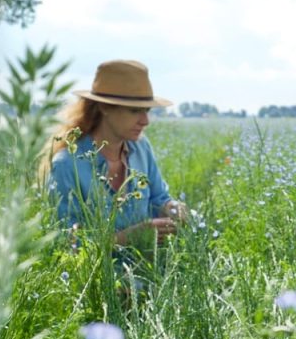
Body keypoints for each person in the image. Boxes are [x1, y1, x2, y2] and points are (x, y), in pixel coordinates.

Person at [41, 59, 187, 261]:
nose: (145, 121)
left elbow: (158, 198)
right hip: (95, 279)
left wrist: (172, 208)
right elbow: (67, 246)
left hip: (149, 273)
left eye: (147, 111)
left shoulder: (141, 148)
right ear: (105, 107)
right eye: (134, 111)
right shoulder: (66, 165)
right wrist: (127, 238)